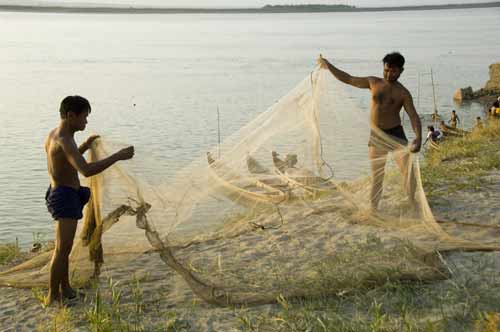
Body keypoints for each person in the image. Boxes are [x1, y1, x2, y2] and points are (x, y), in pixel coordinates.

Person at [45, 95, 134, 306]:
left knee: (64, 248)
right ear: (70, 115)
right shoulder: (64, 139)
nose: (86, 121)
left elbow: (69, 160)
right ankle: (52, 295)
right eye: (84, 117)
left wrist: (85, 145)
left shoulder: (58, 135)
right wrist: (117, 156)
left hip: (65, 193)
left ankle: (65, 288)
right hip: (64, 197)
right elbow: (85, 170)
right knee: (61, 248)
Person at [318, 52, 422, 211]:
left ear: (401, 71)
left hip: (396, 134)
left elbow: (413, 116)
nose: (389, 74)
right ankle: (373, 208)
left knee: (409, 174)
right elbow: (348, 78)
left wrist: (419, 137)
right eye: (386, 70)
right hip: (377, 136)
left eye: (393, 71)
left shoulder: (403, 93)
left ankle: (413, 203)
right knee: (377, 177)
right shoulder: (373, 82)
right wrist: (328, 65)